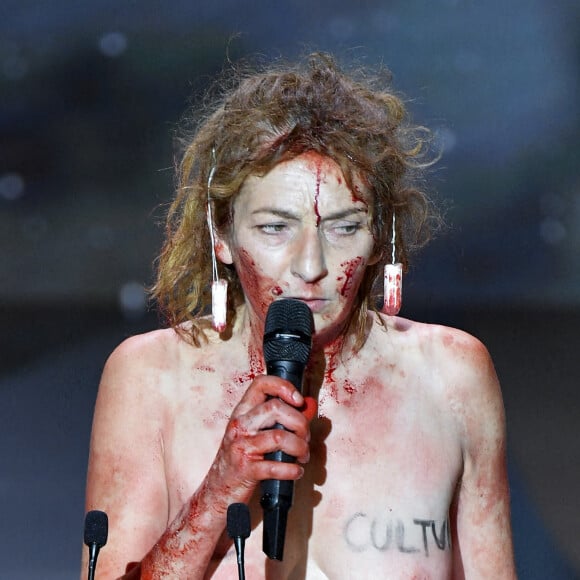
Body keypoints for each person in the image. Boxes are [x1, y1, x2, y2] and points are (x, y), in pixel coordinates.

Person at [81, 52, 516, 579]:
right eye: (274, 228)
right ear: (221, 235)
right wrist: (220, 489)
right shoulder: (153, 377)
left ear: (382, 236)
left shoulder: (451, 375)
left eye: (343, 227)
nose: (311, 266)